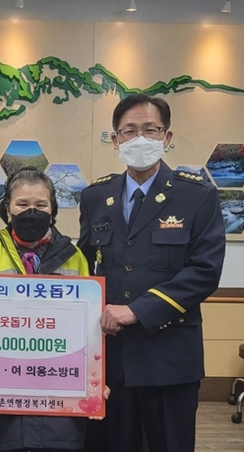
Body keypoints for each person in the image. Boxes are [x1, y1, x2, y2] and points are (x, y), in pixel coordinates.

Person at [77, 94, 225, 452]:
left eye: (150, 130)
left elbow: (204, 271)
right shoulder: (96, 197)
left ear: (166, 137)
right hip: (110, 359)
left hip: (169, 358)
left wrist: (137, 310)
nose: (139, 139)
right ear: (115, 140)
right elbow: (81, 264)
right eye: (129, 131)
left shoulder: (197, 196)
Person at [0, 166, 91, 452]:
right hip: (0, 397)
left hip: (59, 396)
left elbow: (89, 330)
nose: (31, 212)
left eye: (41, 205)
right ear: (7, 210)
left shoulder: (76, 259)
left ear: (53, 209)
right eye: (22, 204)